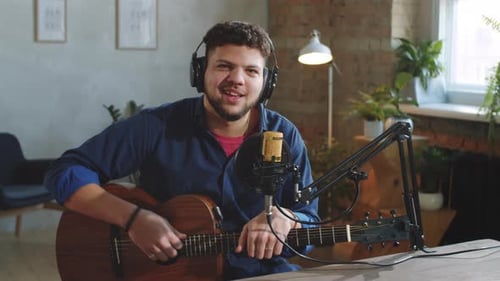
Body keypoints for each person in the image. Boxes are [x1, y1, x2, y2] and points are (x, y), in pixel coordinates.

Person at [44, 20, 319, 280]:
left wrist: (289, 218)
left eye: (251, 71)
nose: (237, 79)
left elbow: (309, 219)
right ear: (200, 72)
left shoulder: (284, 136)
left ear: (266, 82)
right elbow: (65, 173)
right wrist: (133, 219)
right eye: (224, 66)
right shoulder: (156, 126)